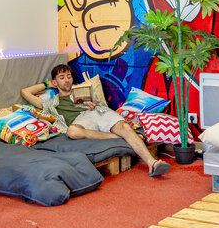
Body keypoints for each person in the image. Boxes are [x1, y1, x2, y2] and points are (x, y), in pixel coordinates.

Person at [20, 64, 170, 177]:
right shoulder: (51, 103)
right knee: (72, 131)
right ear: (55, 82)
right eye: (62, 77)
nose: (67, 80)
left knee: (124, 126)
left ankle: (152, 164)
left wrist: (96, 104)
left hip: (97, 112)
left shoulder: (82, 90)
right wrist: (46, 84)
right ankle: (126, 137)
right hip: (82, 121)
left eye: (68, 76)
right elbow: (25, 92)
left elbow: (101, 106)